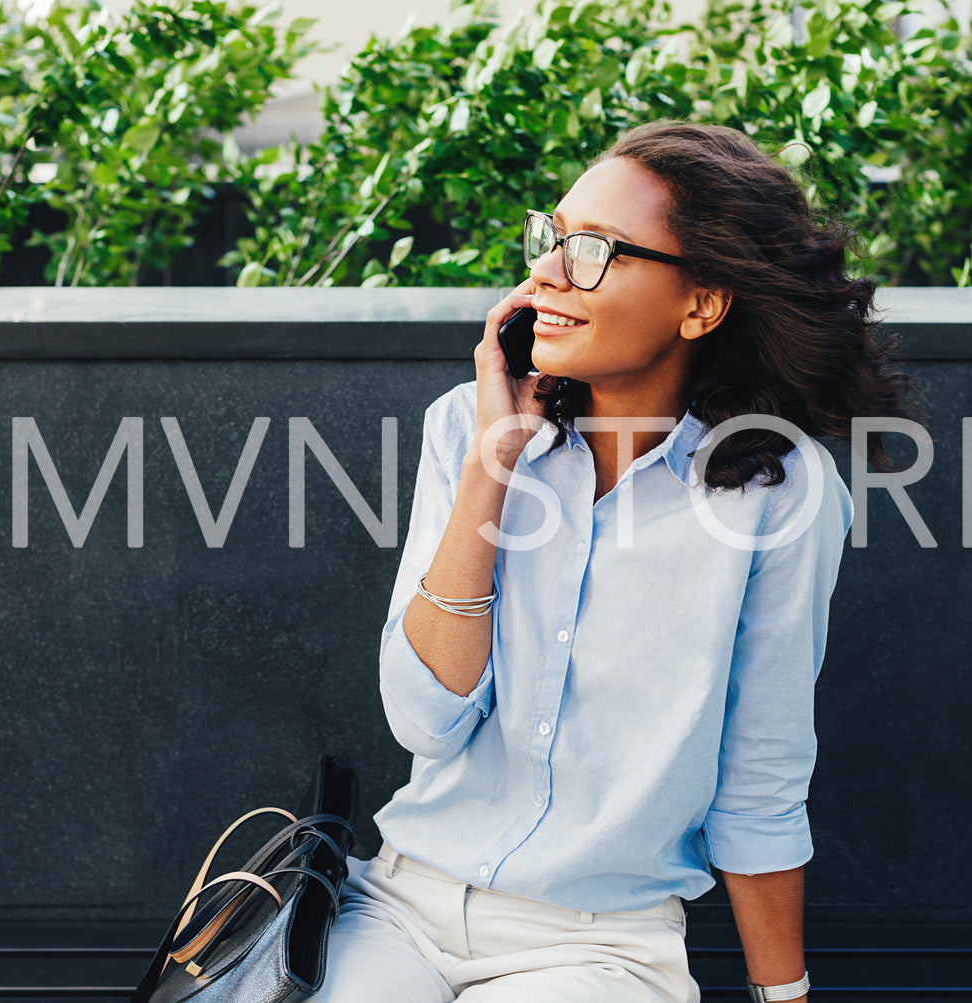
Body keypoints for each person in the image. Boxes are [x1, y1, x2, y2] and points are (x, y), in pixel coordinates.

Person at [308, 121, 919, 1003]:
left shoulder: (779, 491)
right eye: (550, 238)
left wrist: (783, 997)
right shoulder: (466, 426)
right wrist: (493, 460)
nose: (546, 273)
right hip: (401, 902)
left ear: (701, 303)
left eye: (592, 250)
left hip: (595, 948)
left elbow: (760, 777)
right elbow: (423, 719)